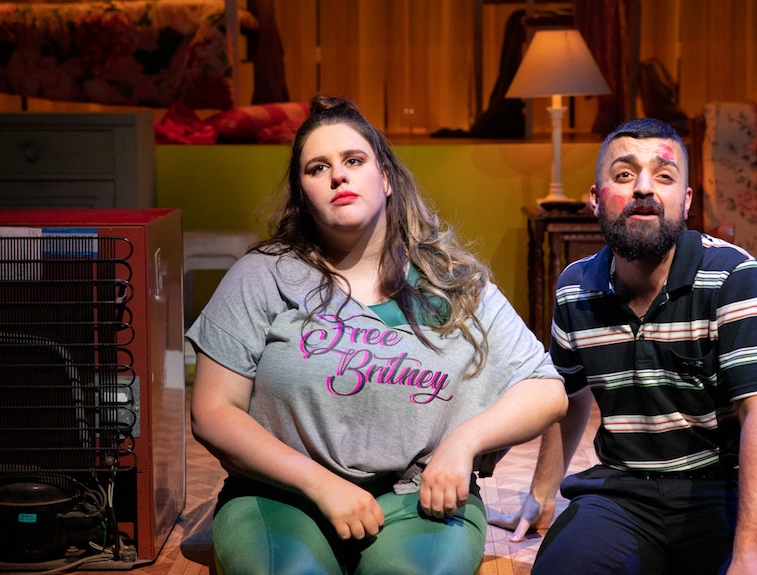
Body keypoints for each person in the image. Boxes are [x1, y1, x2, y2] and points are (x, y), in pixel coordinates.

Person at [186, 95, 568, 575]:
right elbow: (213, 412)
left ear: (385, 178)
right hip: (283, 497)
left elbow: (546, 388)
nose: (337, 176)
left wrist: (462, 443)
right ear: (303, 194)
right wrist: (322, 485)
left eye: (353, 160)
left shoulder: (451, 279)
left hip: (419, 498)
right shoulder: (261, 276)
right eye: (317, 168)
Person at [491, 118, 757, 575]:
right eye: (623, 174)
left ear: (686, 201)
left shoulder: (735, 276)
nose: (643, 188)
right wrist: (540, 493)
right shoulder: (575, 288)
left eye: (664, 175)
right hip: (621, 491)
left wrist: (752, 551)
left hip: (720, 492)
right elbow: (566, 400)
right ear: (595, 201)